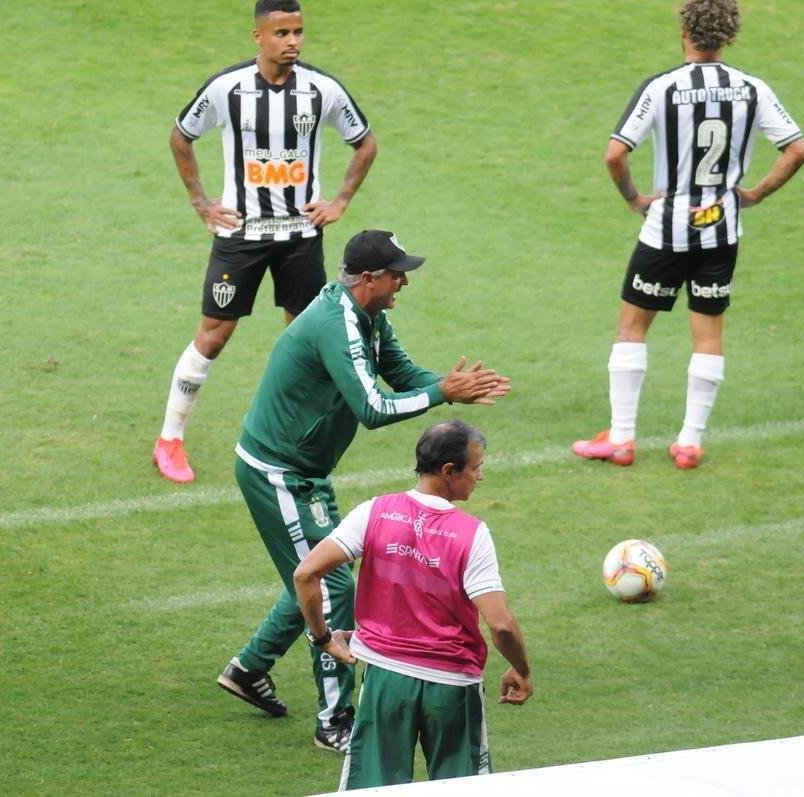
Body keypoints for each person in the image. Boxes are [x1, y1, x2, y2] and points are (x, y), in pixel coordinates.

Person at [218, 230, 511, 753]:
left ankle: (249, 668)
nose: (404, 281)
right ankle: (334, 721)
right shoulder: (337, 324)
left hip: (304, 468)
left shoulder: (368, 315)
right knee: (331, 586)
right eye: (398, 274)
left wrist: (448, 387)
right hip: (278, 471)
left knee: (314, 572)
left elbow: (399, 372)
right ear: (369, 279)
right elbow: (373, 408)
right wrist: (440, 392)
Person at [573, 0, 804, 469]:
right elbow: (796, 150)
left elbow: (615, 155)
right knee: (707, 335)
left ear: (685, 29)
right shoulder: (751, 88)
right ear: (728, 35)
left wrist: (634, 199)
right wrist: (756, 194)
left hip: (667, 230)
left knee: (632, 328)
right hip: (722, 229)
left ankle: (621, 438)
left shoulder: (661, 88)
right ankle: (690, 442)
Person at [153, 0, 379, 483]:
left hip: (300, 238)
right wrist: (202, 203)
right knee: (215, 333)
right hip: (241, 236)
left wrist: (339, 202)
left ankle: (292, 439)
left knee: (304, 340)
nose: (293, 41)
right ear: (259, 37)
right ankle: (169, 439)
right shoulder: (227, 88)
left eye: (298, 31)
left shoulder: (322, 89)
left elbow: (366, 142)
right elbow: (180, 135)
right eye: (282, 33)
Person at [294, 420, 533, 790]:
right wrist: (522, 669)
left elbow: (305, 574)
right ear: (449, 471)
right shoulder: (472, 534)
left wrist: (323, 638)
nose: (480, 476)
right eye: (476, 468)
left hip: (385, 682)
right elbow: (500, 625)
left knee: (374, 789)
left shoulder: (374, 512)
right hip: (452, 687)